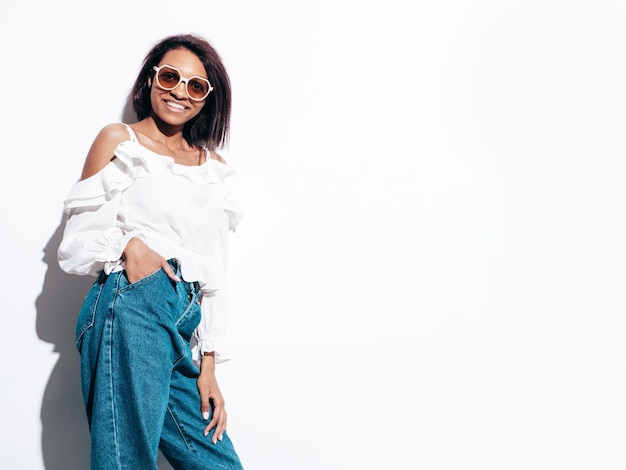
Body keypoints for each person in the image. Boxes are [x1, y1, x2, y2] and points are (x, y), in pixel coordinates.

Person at [57, 33, 244, 470]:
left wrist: (209, 364)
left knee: (219, 463)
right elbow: (74, 242)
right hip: (133, 302)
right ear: (151, 79)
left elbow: (215, 269)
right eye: (170, 76)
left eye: (196, 85)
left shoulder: (215, 170)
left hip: (183, 321)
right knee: (127, 461)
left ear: (208, 99)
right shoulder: (119, 140)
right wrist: (128, 246)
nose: (180, 90)